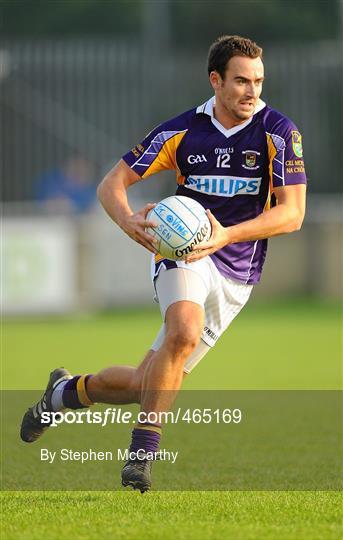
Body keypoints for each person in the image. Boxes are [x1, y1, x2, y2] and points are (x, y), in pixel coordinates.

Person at [20, 35, 307, 493]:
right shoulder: (182, 131)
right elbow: (111, 184)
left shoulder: (278, 132)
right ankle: (143, 454)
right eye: (240, 81)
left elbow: (292, 214)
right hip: (183, 254)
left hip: (236, 271)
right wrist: (127, 221)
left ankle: (65, 391)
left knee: (144, 384)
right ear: (215, 80)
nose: (251, 91)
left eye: (258, 81)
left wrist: (226, 235)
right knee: (183, 330)